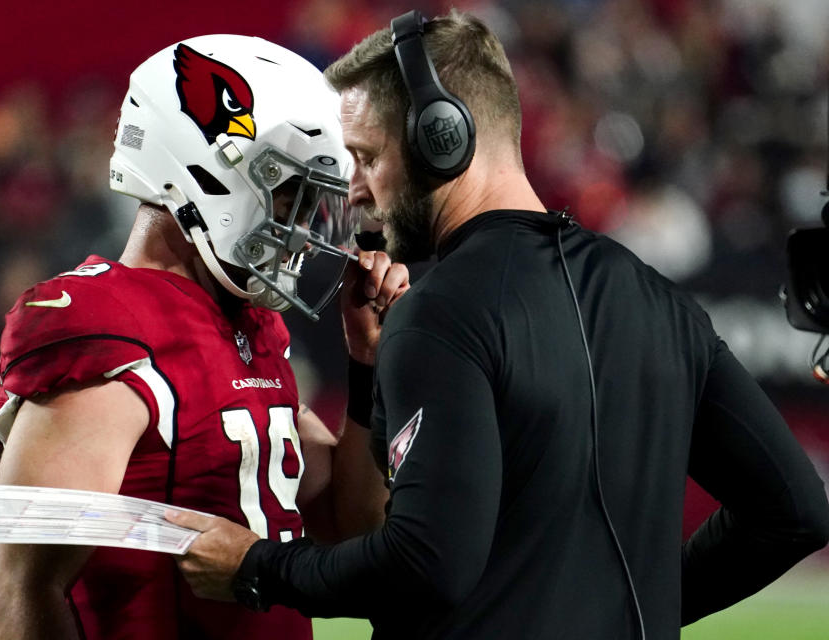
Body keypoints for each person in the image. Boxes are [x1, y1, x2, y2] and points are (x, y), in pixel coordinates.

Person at [166, 9, 829, 640]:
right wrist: (634, 614)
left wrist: (257, 569)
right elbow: (793, 511)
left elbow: (427, 561)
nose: (356, 190)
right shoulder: (662, 301)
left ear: (443, 139)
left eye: (366, 158)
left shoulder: (438, 312)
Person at [0, 34, 407, 639]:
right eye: (289, 192)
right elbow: (26, 589)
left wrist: (366, 366)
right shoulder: (105, 324)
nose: (305, 227)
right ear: (200, 173)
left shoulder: (251, 325)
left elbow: (352, 525)